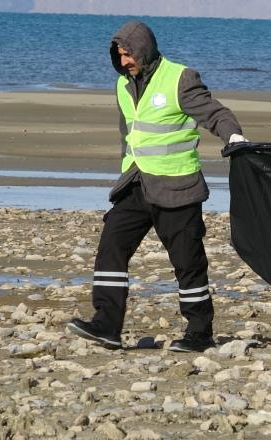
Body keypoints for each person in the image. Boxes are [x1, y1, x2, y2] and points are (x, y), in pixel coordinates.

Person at [67, 21, 247, 352]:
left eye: (128, 55)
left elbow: (216, 114)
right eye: (119, 56)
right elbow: (129, 136)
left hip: (178, 188)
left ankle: (199, 331)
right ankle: (106, 325)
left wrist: (233, 136)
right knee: (111, 245)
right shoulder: (122, 86)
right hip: (135, 184)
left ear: (143, 50)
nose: (124, 62)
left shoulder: (180, 79)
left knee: (188, 263)